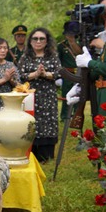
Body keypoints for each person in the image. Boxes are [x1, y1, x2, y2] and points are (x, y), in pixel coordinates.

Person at [18, 28, 61, 162]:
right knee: (30, 122)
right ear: (30, 42)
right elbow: (21, 75)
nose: (38, 41)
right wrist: (35, 74)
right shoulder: (25, 57)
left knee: (48, 123)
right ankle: (30, 153)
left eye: (42, 38)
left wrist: (45, 74)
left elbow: (58, 73)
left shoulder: (52, 56)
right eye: (35, 38)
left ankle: (46, 154)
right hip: (30, 97)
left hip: (47, 96)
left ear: (47, 41)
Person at [56, 21, 80, 121]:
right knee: (66, 94)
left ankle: (77, 115)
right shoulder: (61, 46)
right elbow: (58, 62)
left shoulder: (80, 44)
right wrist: (59, 76)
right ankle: (65, 116)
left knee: (78, 95)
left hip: (79, 73)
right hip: (67, 74)